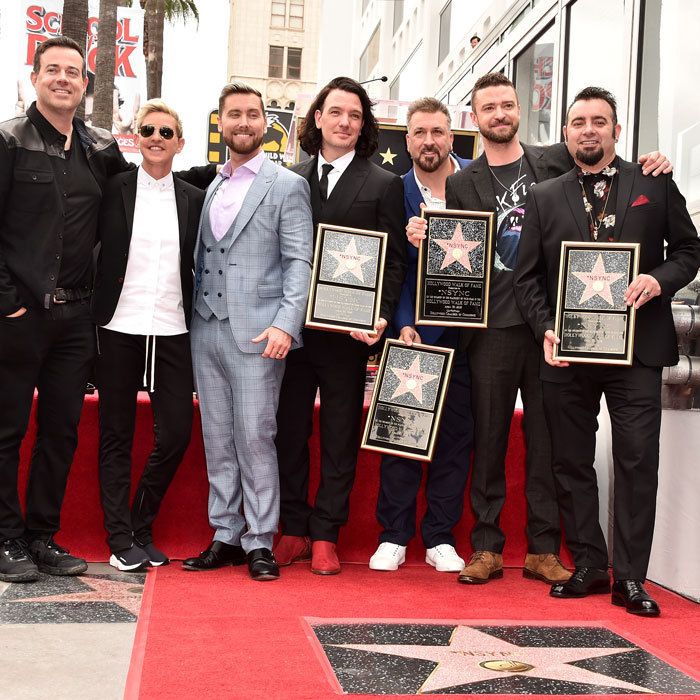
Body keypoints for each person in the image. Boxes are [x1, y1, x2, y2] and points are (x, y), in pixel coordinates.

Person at [407, 72, 672, 587]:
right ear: (476, 118)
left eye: (508, 104)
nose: (500, 114)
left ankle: (544, 548)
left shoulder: (551, 160)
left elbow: (601, 159)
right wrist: (428, 239)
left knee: (548, 443)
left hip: (555, 325)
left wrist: (652, 161)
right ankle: (486, 545)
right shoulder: (461, 182)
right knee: (489, 436)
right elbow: (456, 257)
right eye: (489, 108)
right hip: (494, 329)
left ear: (520, 110)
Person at [513, 86, 700, 616]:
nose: (589, 129)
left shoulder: (653, 183)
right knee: (570, 462)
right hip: (567, 353)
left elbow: (689, 252)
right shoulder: (545, 196)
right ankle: (592, 565)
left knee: (637, 459)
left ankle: (633, 578)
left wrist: (658, 281)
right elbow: (528, 279)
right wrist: (547, 328)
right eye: (578, 122)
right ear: (566, 132)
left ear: (617, 130)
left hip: (637, 351)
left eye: (600, 121)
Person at [0, 36, 130, 583]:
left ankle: (40, 536)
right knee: (5, 431)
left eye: (72, 72)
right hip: (16, 317)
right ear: (34, 77)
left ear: (85, 84)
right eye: (52, 69)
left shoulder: (101, 148)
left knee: (61, 432)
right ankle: (6, 539)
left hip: (76, 321)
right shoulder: (7, 139)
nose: (63, 79)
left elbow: (137, 203)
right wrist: (7, 304)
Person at [274, 77, 406, 575]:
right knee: (288, 431)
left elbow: (392, 261)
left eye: (354, 114)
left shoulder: (383, 184)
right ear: (319, 119)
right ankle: (293, 527)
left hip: (347, 335)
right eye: (336, 112)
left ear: (363, 124)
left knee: (338, 432)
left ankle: (327, 532)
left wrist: (382, 314)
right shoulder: (289, 177)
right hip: (292, 330)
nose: (345, 122)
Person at [183, 83, 313, 582]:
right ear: (221, 122)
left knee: (256, 435)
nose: (243, 122)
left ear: (265, 123)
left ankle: (260, 540)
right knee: (217, 437)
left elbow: (299, 259)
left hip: (260, 333)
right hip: (207, 328)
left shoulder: (286, 185)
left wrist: (286, 323)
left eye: (252, 115)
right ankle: (225, 534)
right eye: (234, 114)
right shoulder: (213, 185)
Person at [92, 99, 205, 571]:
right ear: (136, 138)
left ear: (180, 142)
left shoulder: (195, 198)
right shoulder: (112, 187)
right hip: (119, 326)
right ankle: (121, 538)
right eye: (147, 130)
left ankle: (141, 522)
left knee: (176, 433)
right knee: (116, 435)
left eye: (165, 131)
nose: (156, 137)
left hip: (173, 330)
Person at [369, 97, 473, 574]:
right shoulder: (395, 190)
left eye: (437, 131)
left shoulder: (475, 181)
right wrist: (403, 319)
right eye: (419, 132)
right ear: (406, 139)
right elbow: (388, 265)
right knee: (402, 434)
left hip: (468, 334)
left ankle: (439, 537)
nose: (428, 141)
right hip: (411, 330)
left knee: (455, 436)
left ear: (452, 136)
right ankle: (394, 534)